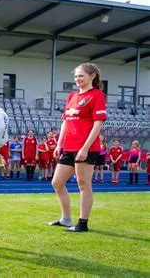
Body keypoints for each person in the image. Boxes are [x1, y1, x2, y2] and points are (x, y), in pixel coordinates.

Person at [48, 62, 106, 232]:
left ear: (92, 76)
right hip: (69, 147)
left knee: (83, 184)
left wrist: (85, 148)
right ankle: (66, 219)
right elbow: (66, 121)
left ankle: (83, 223)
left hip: (86, 148)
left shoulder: (97, 95)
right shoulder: (72, 96)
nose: (77, 79)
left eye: (81, 75)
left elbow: (98, 125)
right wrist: (59, 144)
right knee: (57, 182)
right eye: (75, 76)